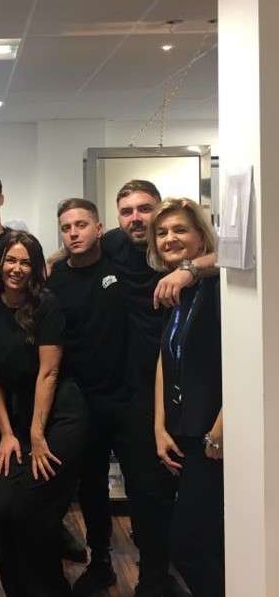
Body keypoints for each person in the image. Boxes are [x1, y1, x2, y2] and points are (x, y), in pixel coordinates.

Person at [100, 180, 215, 597]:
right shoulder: (114, 245)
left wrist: (190, 269)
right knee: (147, 492)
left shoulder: (195, 271)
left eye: (144, 209)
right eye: (126, 210)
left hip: (200, 400)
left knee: (195, 509)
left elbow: (235, 253)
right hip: (146, 393)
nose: (136, 218)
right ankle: (153, 579)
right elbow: (75, 247)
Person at [0, 230, 89, 597]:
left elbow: (49, 373)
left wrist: (37, 435)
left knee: (29, 513)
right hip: (20, 419)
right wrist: (8, 434)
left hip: (61, 417)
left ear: (36, 268)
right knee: (0, 511)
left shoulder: (46, 305)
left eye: (26, 262)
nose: (17, 268)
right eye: (11, 260)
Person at [47, 199, 129, 595]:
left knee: (145, 486)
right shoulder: (55, 278)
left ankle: (156, 568)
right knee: (92, 485)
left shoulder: (121, 261)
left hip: (127, 396)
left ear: (99, 229)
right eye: (66, 227)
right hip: (81, 399)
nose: (73, 232)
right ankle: (102, 562)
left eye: (81, 224)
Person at [149, 198, 223, 597]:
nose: (169, 238)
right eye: (162, 233)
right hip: (184, 431)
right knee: (208, 541)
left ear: (201, 236)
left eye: (180, 230)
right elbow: (166, 358)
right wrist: (160, 426)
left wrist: (219, 431)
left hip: (212, 436)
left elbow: (244, 361)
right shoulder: (174, 289)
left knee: (189, 545)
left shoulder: (219, 287)